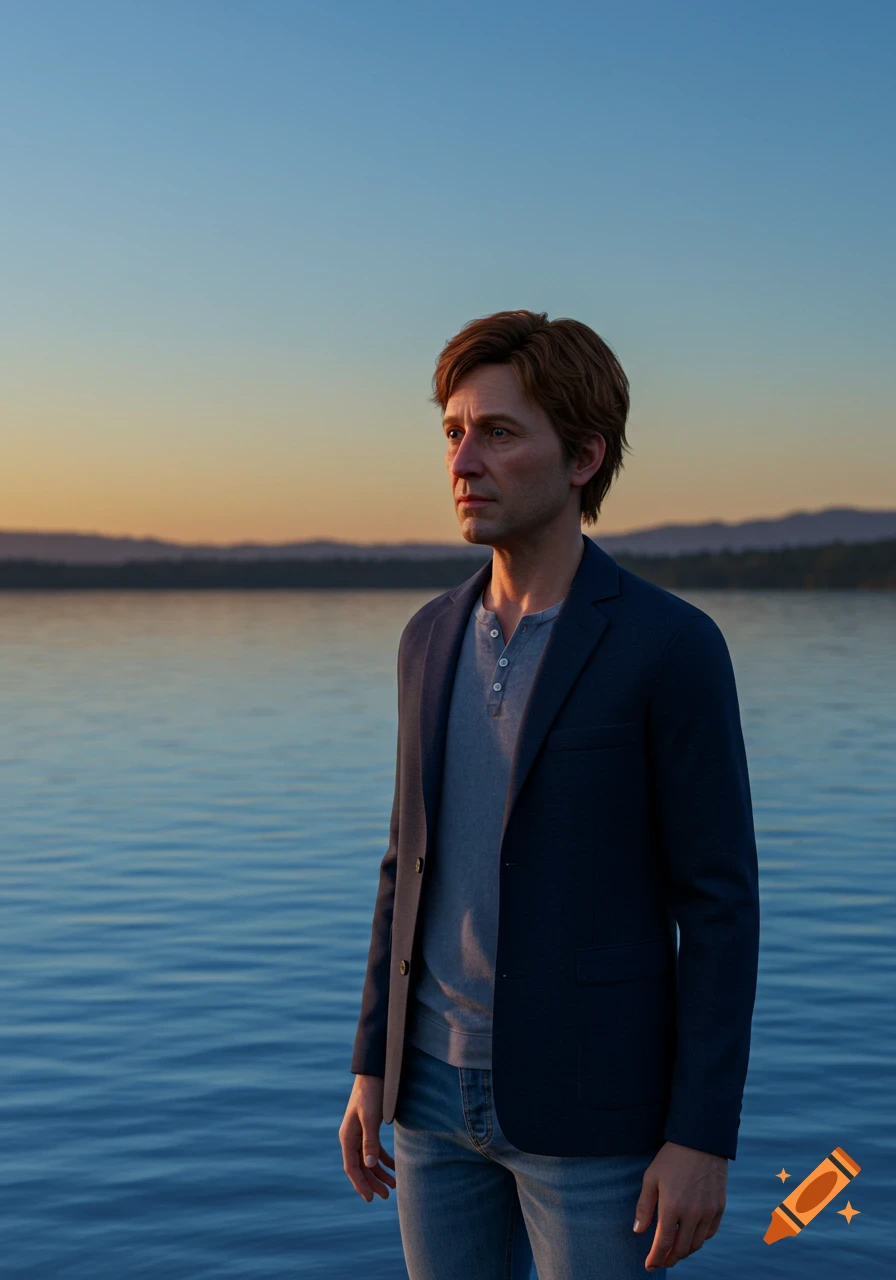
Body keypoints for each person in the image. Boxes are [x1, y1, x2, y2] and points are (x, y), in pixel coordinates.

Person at [338, 309, 761, 1278]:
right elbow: (403, 865)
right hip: (430, 1104)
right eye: (451, 432)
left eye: (496, 431)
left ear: (581, 456)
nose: (462, 461)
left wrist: (701, 1132)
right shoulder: (425, 638)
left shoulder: (671, 645)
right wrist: (373, 1064)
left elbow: (720, 905)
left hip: (592, 1114)